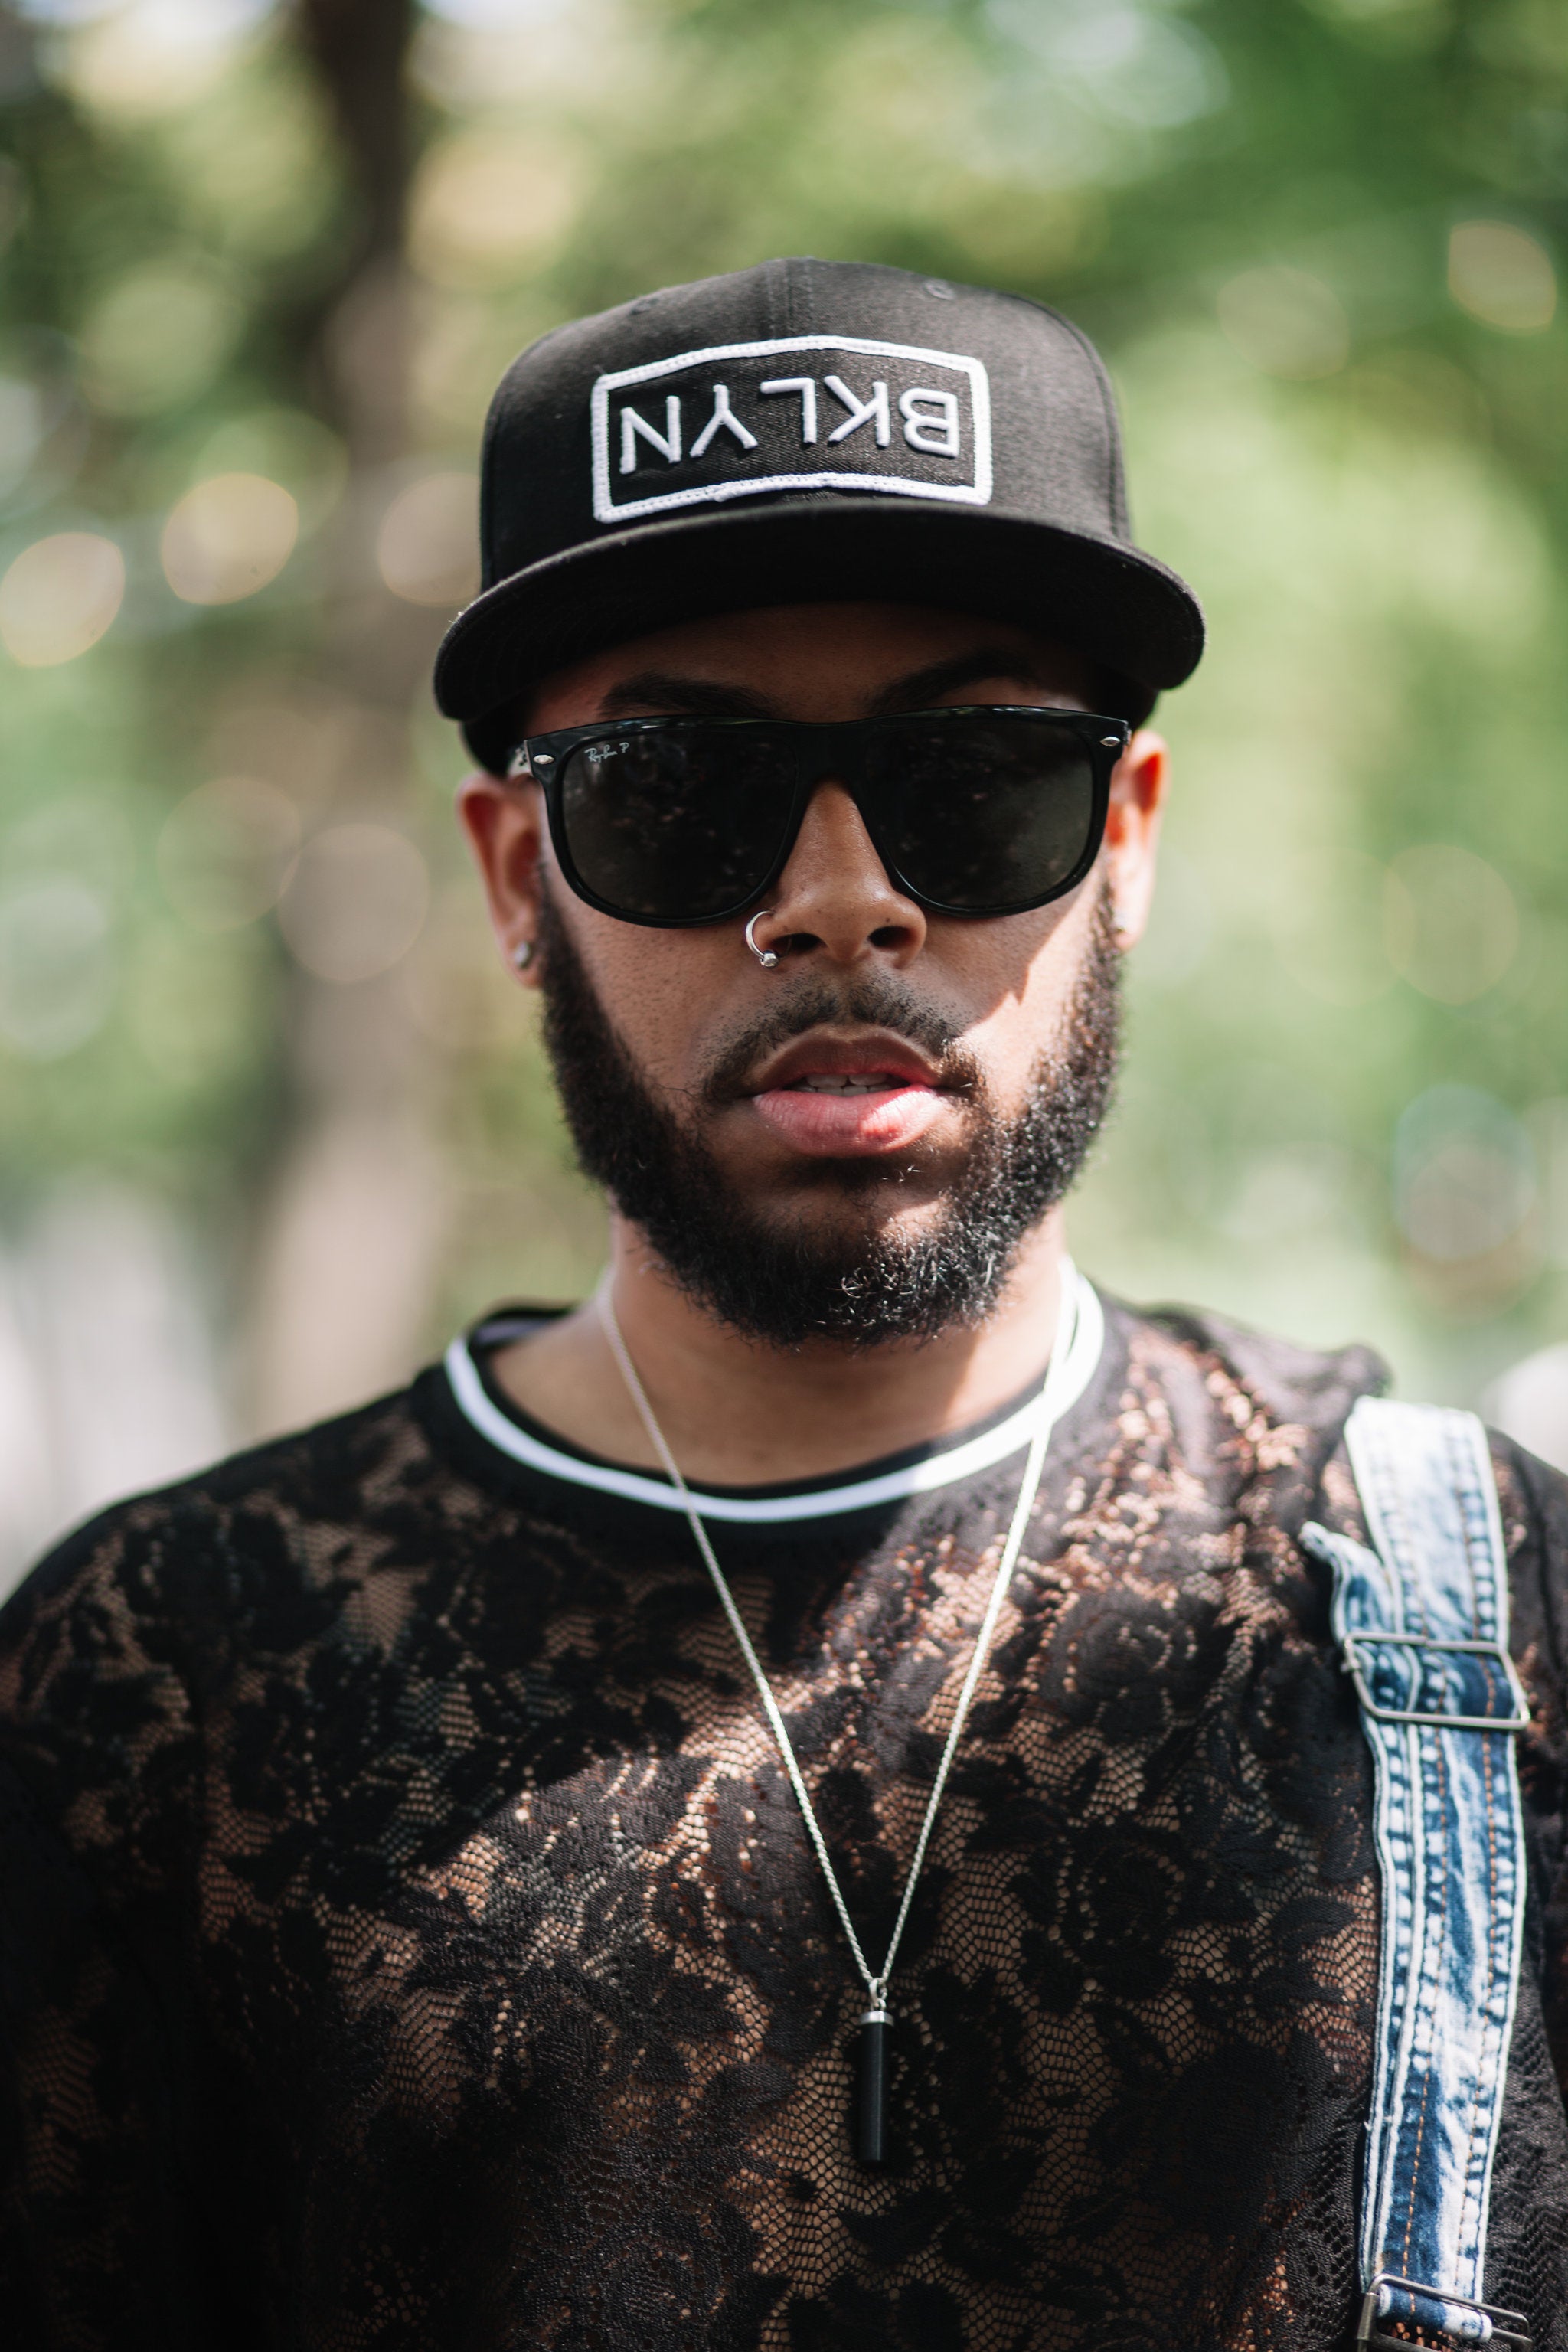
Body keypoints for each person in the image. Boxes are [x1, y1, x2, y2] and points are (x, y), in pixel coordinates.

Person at [2, 257, 1566, 2352]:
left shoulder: (1477, 1619)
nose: (841, 896)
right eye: (678, 791)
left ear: (1126, 842)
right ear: (516, 878)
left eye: (981, 776)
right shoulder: (156, 1691)